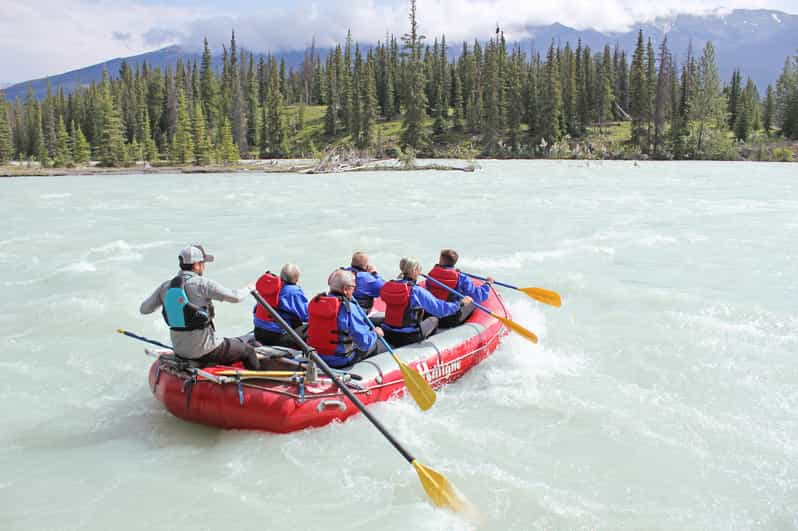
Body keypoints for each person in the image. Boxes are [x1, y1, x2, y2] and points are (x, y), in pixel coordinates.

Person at [139, 244, 262, 370]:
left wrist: (167, 301)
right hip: (206, 350)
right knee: (248, 351)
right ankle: (258, 383)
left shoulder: (165, 287)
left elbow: (144, 309)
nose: (204, 266)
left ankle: (199, 364)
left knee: (228, 343)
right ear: (196, 265)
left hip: (180, 349)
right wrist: (249, 288)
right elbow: (236, 297)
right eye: (203, 263)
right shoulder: (203, 283)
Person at [379, 257, 473, 347]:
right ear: (414, 270)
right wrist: (461, 303)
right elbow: (440, 310)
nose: (420, 272)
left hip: (388, 333)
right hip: (407, 337)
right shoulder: (416, 291)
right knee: (434, 319)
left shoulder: (388, 285)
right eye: (419, 270)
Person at [306, 269, 388, 368]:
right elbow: (364, 343)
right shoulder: (348, 308)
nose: (354, 290)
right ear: (345, 289)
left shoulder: (316, 301)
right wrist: (375, 334)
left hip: (316, 356)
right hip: (340, 360)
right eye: (353, 287)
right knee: (379, 345)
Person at [426, 248, 494, 328]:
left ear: (441, 260)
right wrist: (487, 284)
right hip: (451, 319)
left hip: (432, 314)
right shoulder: (461, 278)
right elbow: (478, 295)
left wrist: (454, 271)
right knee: (472, 300)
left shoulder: (431, 274)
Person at [253, 264, 309, 348]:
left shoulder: (270, 287)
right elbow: (306, 316)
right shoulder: (293, 291)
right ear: (297, 279)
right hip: (277, 338)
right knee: (312, 328)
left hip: (258, 333)